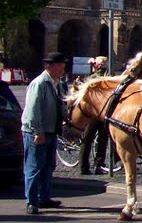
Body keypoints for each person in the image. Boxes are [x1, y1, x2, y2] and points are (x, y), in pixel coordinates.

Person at [22, 52, 68, 214]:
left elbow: (60, 104)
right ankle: (31, 201)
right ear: (49, 66)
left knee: (48, 165)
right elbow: (33, 110)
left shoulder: (58, 83)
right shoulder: (40, 83)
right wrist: (37, 131)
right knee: (34, 166)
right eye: (60, 66)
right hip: (37, 131)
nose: (62, 70)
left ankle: (44, 197)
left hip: (51, 130)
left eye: (63, 66)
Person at [79, 56, 110, 175]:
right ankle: (99, 165)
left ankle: (83, 166)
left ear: (97, 66)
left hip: (92, 114)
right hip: (103, 113)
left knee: (86, 140)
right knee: (102, 140)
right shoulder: (108, 78)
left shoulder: (92, 79)